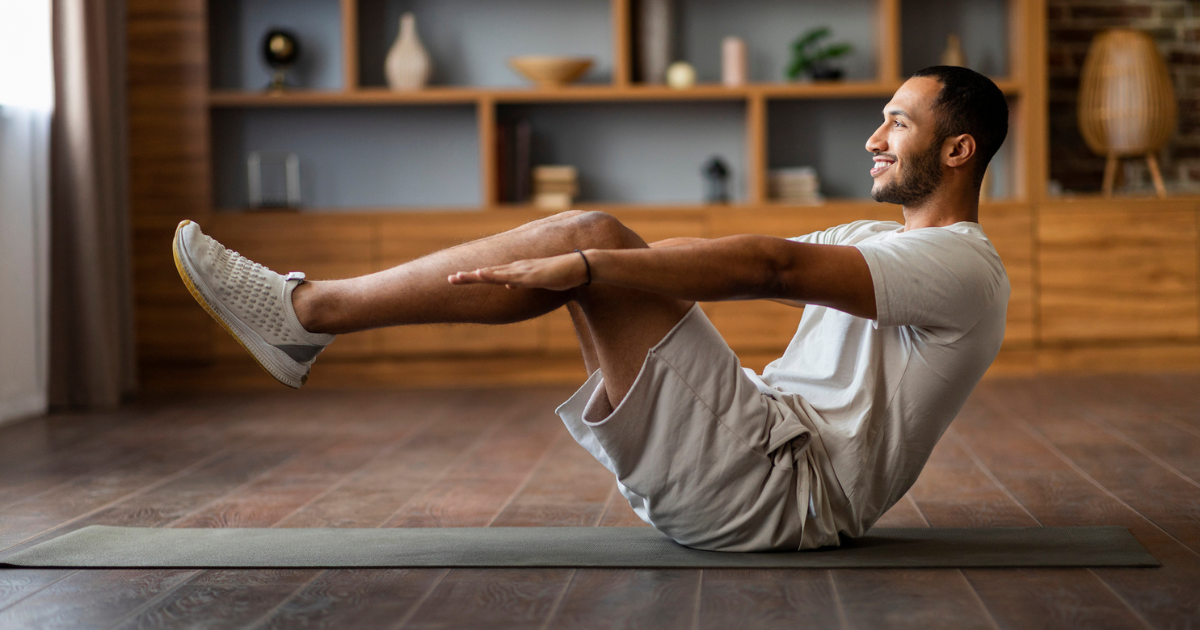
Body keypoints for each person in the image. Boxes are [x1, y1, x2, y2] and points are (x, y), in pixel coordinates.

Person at [172, 66, 1010, 552]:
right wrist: (593, 267)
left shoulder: (963, 268)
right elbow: (724, 261)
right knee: (591, 246)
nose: (874, 137)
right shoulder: (876, 233)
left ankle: (307, 311)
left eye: (896, 123)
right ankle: (306, 315)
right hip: (757, 446)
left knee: (589, 235)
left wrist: (586, 259)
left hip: (780, 493)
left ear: (957, 149)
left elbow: (770, 266)